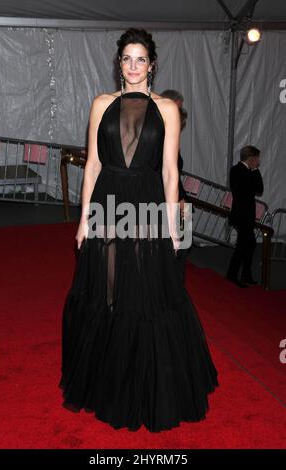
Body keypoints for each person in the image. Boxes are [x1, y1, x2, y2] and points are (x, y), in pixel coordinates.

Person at [59, 28, 218, 432]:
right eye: (126, 59)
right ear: (119, 65)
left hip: (148, 204)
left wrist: (172, 226)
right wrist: (82, 221)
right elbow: (93, 166)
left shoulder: (166, 109)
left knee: (146, 293)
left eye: (140, 59)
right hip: (107, 203)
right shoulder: (101, 104)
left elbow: (169, 171)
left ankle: (144, 384)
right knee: (109, 293)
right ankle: (108, 381)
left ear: (152, 64)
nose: (132, 66)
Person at [160, 89, 191, 282]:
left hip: (178, 202)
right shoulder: (157, 135)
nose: (178, 112)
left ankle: (174, 289)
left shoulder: (172, 135)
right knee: (176, 248)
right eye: (176, 107)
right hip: (167, 202)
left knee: (183, 246)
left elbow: (174, 174)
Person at [226, 145, 264, 288]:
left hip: (248, 214)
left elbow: (259, 189)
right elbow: (244, 190)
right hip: (241, 214)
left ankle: (245, 274)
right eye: (256, 158)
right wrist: (253, 171)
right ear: (251, 157)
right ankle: (232, 274)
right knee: (243, 245)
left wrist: (254, 170)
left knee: (249, 243)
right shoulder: (236, 170)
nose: (258, 161)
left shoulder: (251, 171)